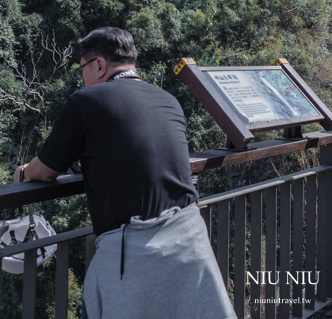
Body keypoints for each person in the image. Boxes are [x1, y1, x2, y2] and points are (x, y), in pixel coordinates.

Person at [13, 27, 235, 319]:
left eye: (82, 69)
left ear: (99, 66)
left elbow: (43, 171)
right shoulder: (167, 99)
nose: (83, 77)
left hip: (134, 250)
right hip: (189, 240)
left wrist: (23, 172)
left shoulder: (85, 102)